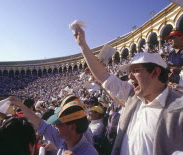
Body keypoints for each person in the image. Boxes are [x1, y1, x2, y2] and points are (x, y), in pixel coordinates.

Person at [73, 25, 183, 155]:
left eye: (135, 71)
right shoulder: (133, 97)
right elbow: (103, 76)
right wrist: (83, 45)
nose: (130, 76)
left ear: (155, 72)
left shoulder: (179, 110)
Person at [8, 97, 98, 155]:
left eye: (59, 123)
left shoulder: (90, 153)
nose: (55, 125)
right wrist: (21, 106)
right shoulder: (63, 138)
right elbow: (40, 123)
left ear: (72, 127)